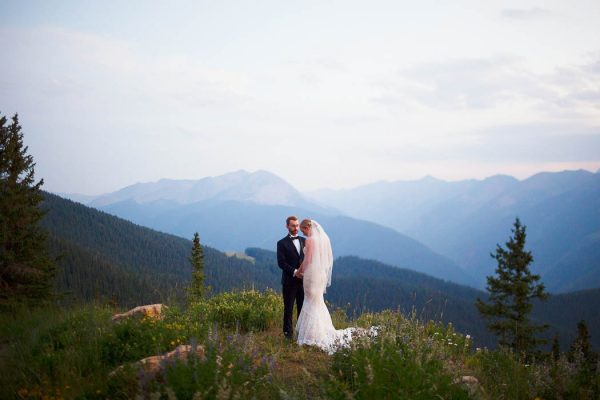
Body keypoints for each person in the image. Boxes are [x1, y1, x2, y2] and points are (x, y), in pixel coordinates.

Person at [295, 218, 362, 354]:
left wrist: (300, 272)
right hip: (320, 274)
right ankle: (316, 332)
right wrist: (299, 269)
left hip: (311, 274)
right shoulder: (323, 239)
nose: (304, 234)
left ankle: (311, 335)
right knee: (317, 302)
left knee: (310, 301)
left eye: (303, 231)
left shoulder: (310, 240)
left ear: (308, 228)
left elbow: (307, 260)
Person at [276, 216, 305, 339]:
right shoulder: (281, 243)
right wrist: (295, 272)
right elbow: (281, 263)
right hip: (289, 282)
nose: (296, 228)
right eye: (293, 225)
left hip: (304, 282)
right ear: (287, 226)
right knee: (288, 309)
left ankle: (301, 334)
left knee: (303, 309)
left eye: (297, 225)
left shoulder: (304, 240)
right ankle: (288, 335)